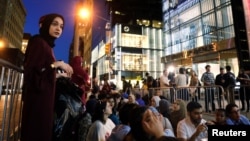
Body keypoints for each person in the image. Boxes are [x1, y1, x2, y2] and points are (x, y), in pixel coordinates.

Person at [21, 13, 73, 141]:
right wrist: (57, 64)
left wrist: (58, 75)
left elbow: (44, 72)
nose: (58, 28)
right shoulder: (38, 42)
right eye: (54, 24)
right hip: (37, 102)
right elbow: (33, 74)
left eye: (61, 26)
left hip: (44, 101)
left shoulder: (47, 45)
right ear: (45, 25)